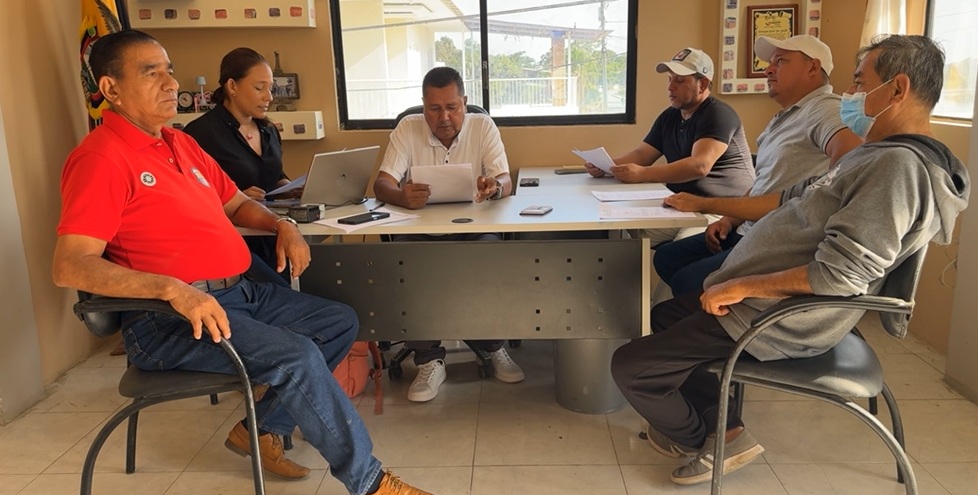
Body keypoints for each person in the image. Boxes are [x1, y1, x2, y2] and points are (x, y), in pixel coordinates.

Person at [52, 30, 431, 495]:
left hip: (239, 293)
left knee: (338, 321)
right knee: (295, 355)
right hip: (170, 319)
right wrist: (172, 289)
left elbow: (234, 204)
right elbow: (71, 265)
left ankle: (261, 429)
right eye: (151, 73)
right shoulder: (100, 159)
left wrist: (280, 224)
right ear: (111, 89)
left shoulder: (179, 143)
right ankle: (370, 483)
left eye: (169, 70)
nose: (171, 83)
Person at [611, 34, 969, 486]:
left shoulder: (896, 168)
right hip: (760, 301)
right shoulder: (873, 156)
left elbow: (841, 274)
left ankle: (709, 441)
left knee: (629, 367)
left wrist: (740, 285)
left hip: (779, 315)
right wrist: (725, 221)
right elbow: (791, 197)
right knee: (663, 316)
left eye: (859, 84)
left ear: (897, 89)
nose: (849, 95)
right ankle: (725, 428)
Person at [652, 35, 863, 296]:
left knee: (687, 282)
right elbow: (765, 181)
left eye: (780, 61)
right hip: (749, 228)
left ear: (812, 67)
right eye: (770, 62)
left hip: (778, 240)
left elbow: (851, 165)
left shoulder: (826, 109)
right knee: (667, 258)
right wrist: (729, 220)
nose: (768, 69)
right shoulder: (785, 117)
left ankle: (730, 312)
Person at [373, 66, 524, 402]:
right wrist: (401, 196)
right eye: (434, 108)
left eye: (452, 108)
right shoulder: (407, 128)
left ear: (465, 103)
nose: (444, 117)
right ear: (423, 105)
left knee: (491, 257)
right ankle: (428, 359)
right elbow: (382, 183)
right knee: (405, 262)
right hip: (419, 231)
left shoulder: (482, 126)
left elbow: (505, 179)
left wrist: (494, 186)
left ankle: (493, 346)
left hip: (474, 229)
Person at [584, 47, 755, 247]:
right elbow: (642, 154)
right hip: (683, 205)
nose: (670, 87)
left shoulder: (718, 114)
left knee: (681, 247)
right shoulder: (670, 115)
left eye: (680, 81)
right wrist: (607, 166)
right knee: (626, 233)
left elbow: (700, 165)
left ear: (703, 84)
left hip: (721, 210)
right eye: (669, 79)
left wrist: (643, 174)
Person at [183, 47, 295, 285]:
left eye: (271, 88)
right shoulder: (199, 134)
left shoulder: (269, 130)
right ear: (232, 86)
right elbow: (190, 198)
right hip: (235, 243)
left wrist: (292, 188)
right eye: (259, 88)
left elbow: (276, 177)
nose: (269, 97)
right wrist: (236, 198)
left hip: (274, 232)